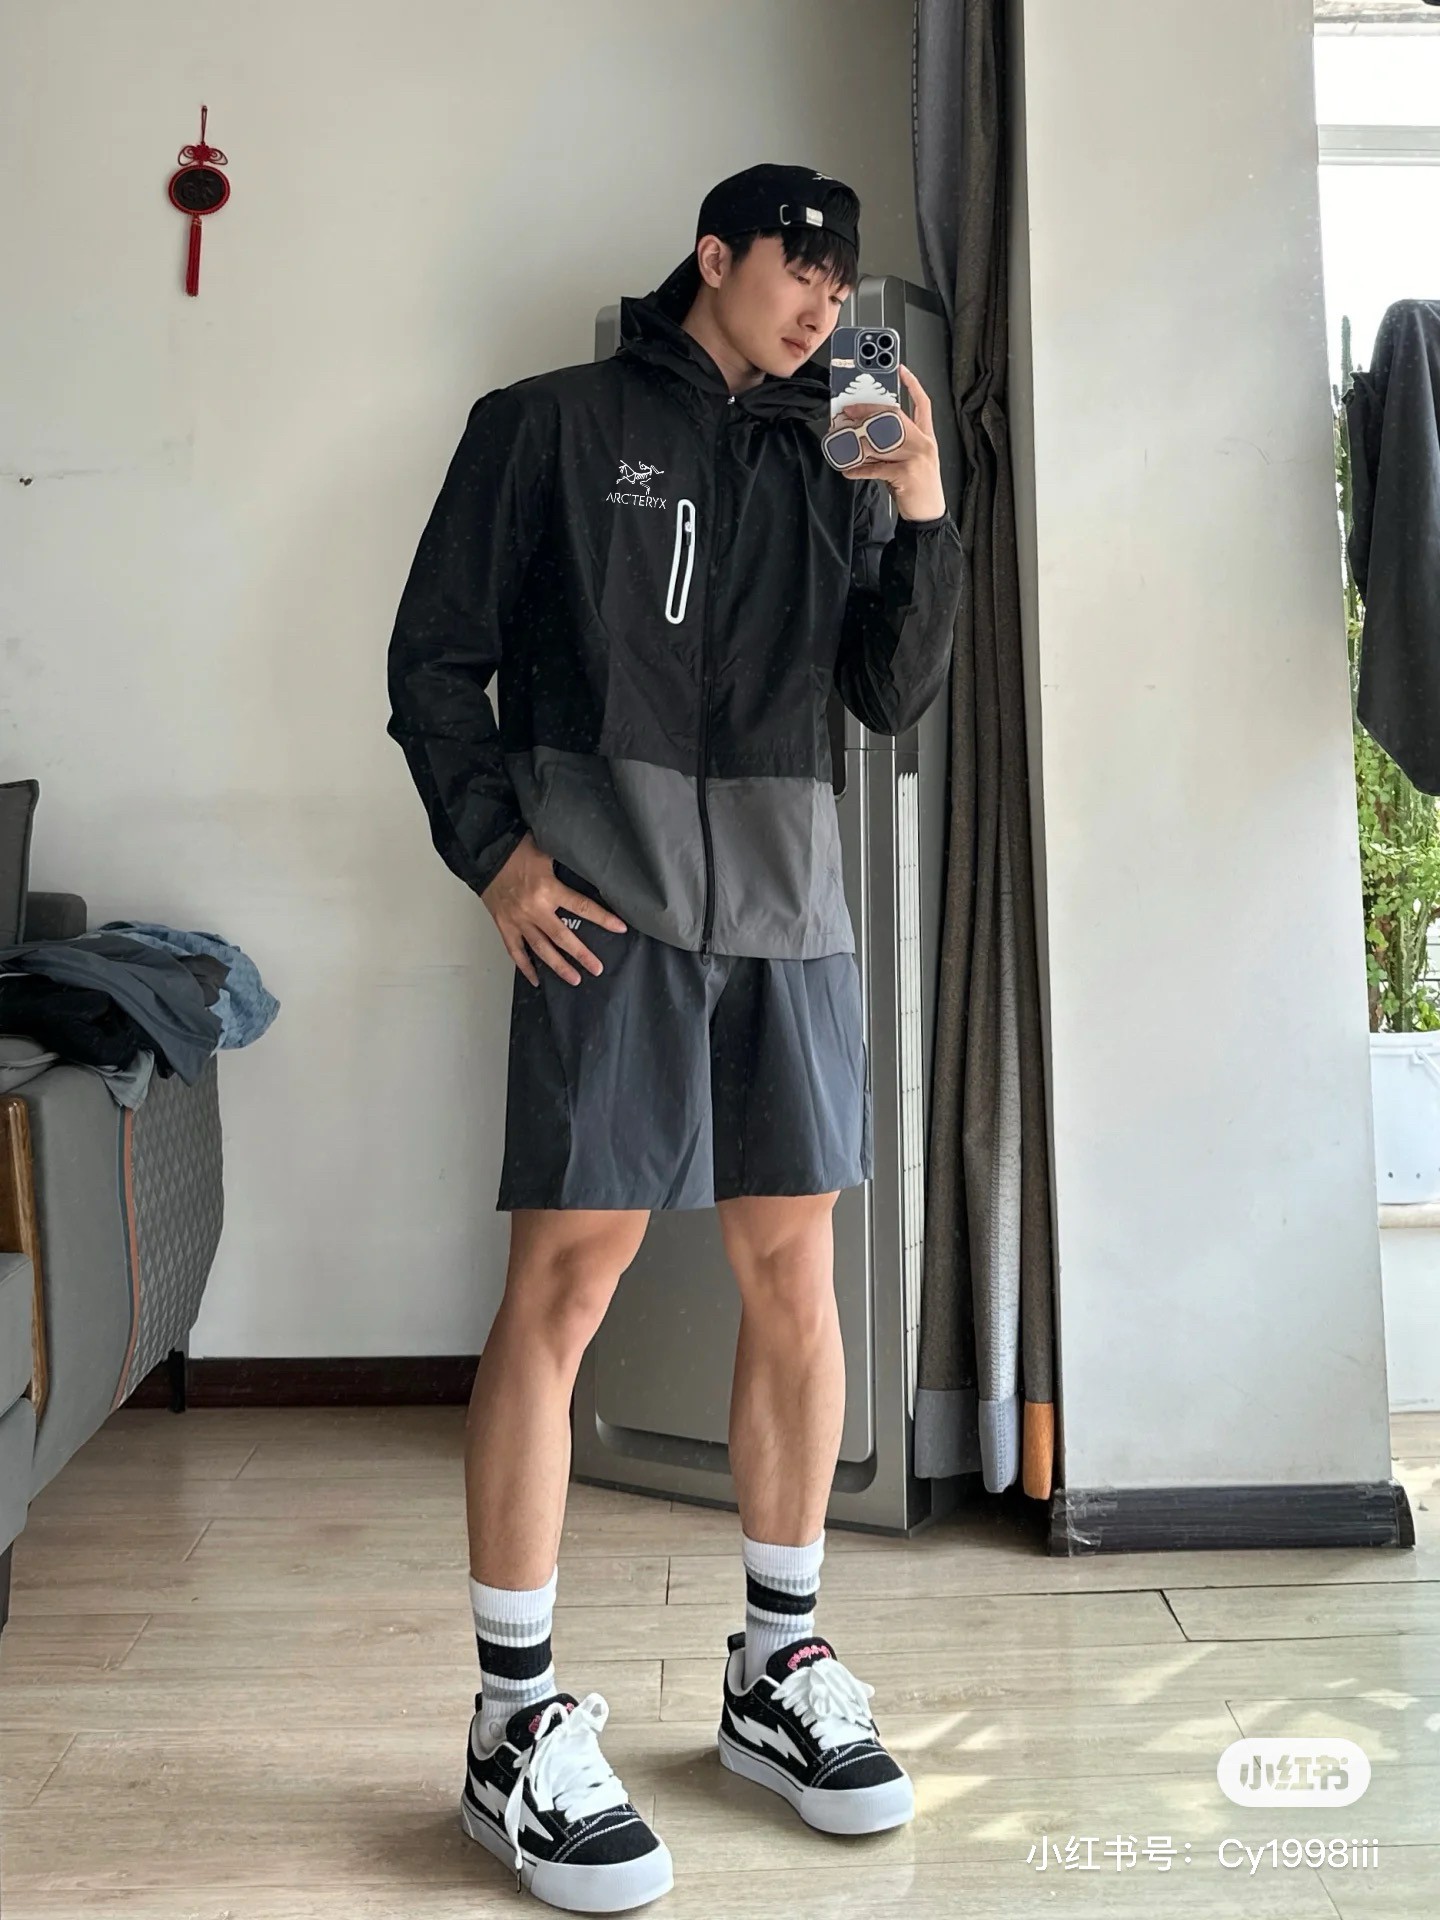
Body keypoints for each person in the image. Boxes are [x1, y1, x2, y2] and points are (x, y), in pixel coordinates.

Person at [386, 161, 965, 1914]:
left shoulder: (834, 451)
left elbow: (891, 694)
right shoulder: (547, 426)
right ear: (716, 256)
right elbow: (434, 663)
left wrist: (920, 501)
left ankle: (777, 1668)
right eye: (801, 268)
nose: (823, 303)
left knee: (800, 1281)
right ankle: (511, 1720)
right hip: (610, 910)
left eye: (842, 284)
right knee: (566, 1289)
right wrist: (495, 856)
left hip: (791, 914)